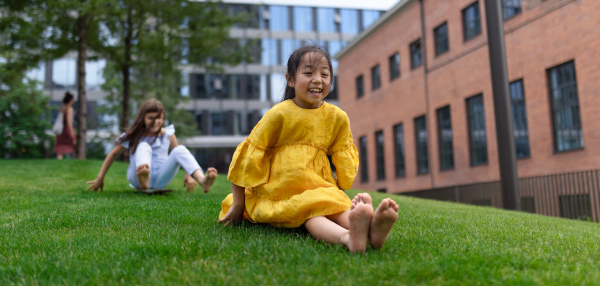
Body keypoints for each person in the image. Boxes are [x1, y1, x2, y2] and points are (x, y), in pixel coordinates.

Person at [218, 45, 399, 253]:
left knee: (334, 205)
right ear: (290, 80)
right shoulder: (279, 114)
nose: (317, 79)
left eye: (324, 74)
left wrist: (341, 181)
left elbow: (343, 152)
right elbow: (248, 156)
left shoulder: (337, 117)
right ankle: (349, 238)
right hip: (283, 189)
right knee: (312, 216)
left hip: (319, 184)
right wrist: (239, 203)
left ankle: (372, 229)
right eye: (308, 72)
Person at [86, 99, 218, 193]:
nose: (156, 122)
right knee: (144, 146)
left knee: (180, 149)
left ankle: (203, 181)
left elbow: (180, 158)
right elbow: (113, 154)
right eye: (151, 118)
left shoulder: (168, 134)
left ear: (163, 117)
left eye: (159, 117)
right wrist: (100, 178)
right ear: (142, 118)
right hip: (137, 178)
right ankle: (144, 176)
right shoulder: (135, 135)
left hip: (160, 179)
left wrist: (188, 176)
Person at [54, 91, 76, 159]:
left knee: (60, 149)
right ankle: (71, 160)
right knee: (71, 146)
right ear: (71, 100)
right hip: (67, 130)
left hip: (61, 131)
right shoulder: (69, 109)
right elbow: (69, 121)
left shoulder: (62, 109)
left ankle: (59, 162)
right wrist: (72, 132)